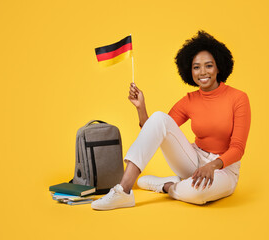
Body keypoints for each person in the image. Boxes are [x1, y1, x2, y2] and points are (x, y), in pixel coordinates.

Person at [91, 31, 251, 210]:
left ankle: (166, 185)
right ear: (189, 71)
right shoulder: (189, 100)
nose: (203, 72)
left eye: (209, 66)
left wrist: (212, 166)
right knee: (159, 117)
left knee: (197, 194)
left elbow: (238, 148)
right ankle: (123, 191)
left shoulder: (238, 98)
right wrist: (141, 108)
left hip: (224, 168)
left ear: (219, 67)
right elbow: (156, 129)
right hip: (194, 160)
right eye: (196, 67)